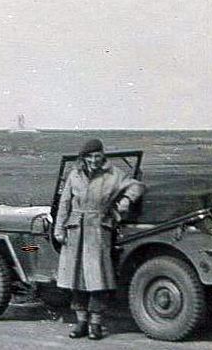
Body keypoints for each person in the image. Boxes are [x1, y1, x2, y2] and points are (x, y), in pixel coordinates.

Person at [53, 138, 145, 340]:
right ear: (83, 158)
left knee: (98, 279)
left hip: (98, 230)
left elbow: (136, 186)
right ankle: (81, 322)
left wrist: (125, 201)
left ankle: (96, 324)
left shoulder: (113, 174)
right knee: (75, 279)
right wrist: (58, 229)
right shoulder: (74, 174)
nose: (94, 160)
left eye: (97, 155)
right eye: (90, 156)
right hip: (75, 229)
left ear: (102, 155)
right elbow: (64, 203)